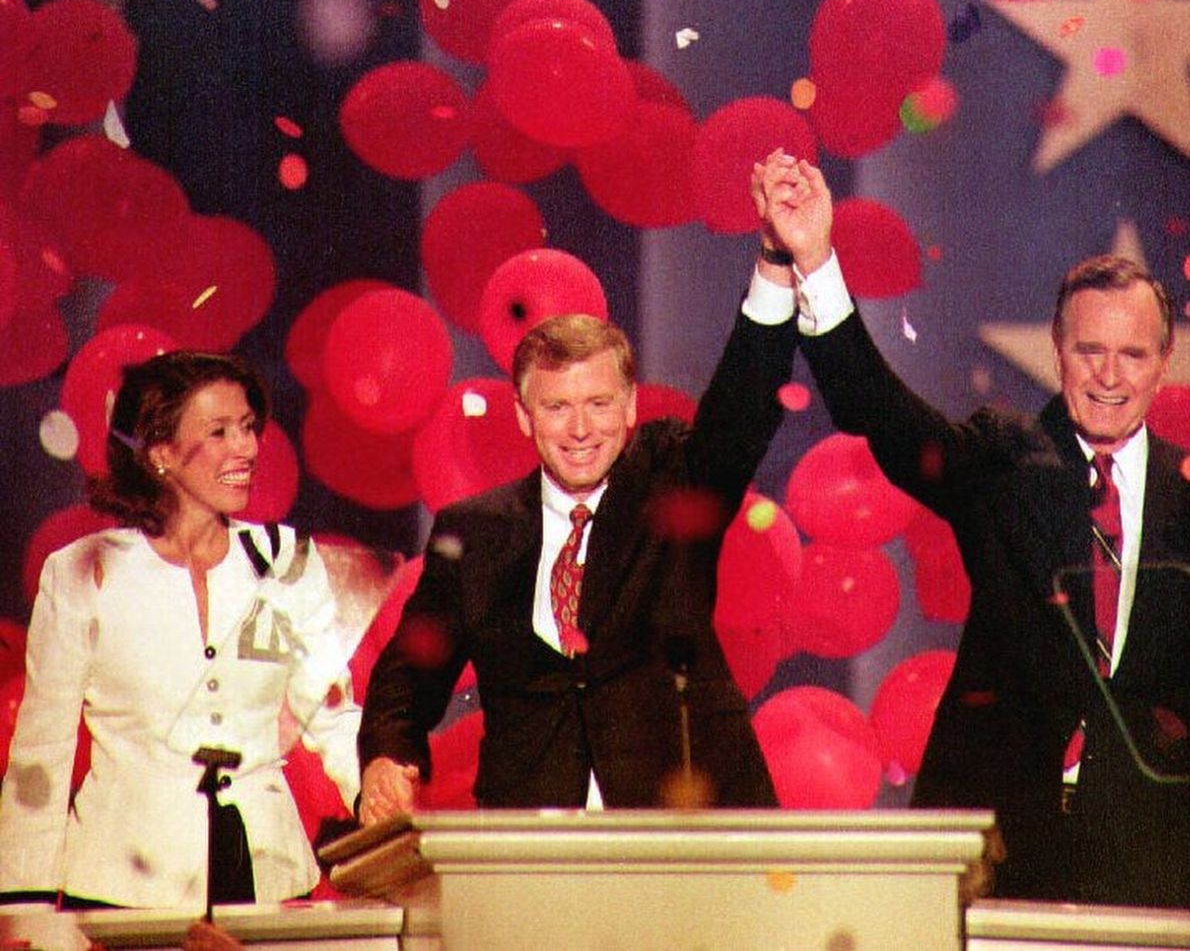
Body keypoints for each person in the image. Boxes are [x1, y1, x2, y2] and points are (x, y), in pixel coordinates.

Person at [756, 154, 1190, 910]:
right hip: (998, 847)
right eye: (1089, 350)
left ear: (1164, 362)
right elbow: (884, 416)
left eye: (1132, 353)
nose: (1108, 374)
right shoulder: (1003, 461)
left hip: (1152, 852)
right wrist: (813, 261)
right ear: (1057, 351)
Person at [355, 241, 802, 820]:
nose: (581, 428)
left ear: (631, 407)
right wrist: (388, 756)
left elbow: (740, 412)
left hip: (687, 835)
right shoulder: (473, 534)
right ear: (523, 415)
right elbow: (408, 674)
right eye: (558, 407)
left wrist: (773, 262)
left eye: (598, 403)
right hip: (533, 854)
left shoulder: (671, 481)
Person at [0, 352, 361, 908]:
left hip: (269, 878)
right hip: (122, 884)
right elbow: (42, 750)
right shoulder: (85, 571)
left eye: (247, 428)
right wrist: (23, 905)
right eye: (219, 432)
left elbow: (332, 716)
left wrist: (380, 802)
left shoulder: (285, 561)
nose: (247, 448)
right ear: (161, 454)